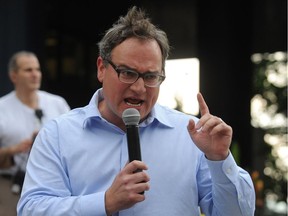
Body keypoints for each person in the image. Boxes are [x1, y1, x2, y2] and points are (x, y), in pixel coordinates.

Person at [17, 6, 255, 216]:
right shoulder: (58, 134)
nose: (139, 88)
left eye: (151, 76)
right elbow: (32, 210)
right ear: (102, 68)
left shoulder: (191, 134)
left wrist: (220, 159)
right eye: (128, 73)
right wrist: (105, 202)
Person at [0, 50, 71, 196]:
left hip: (55, 187)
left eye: (37, 69)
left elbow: (76, 142)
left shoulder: (58, 103)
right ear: (14, 76)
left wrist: (48, 139)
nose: (35, 74)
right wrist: (13, 150)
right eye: (28, 70)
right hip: (11, 187)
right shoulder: (2, 108)